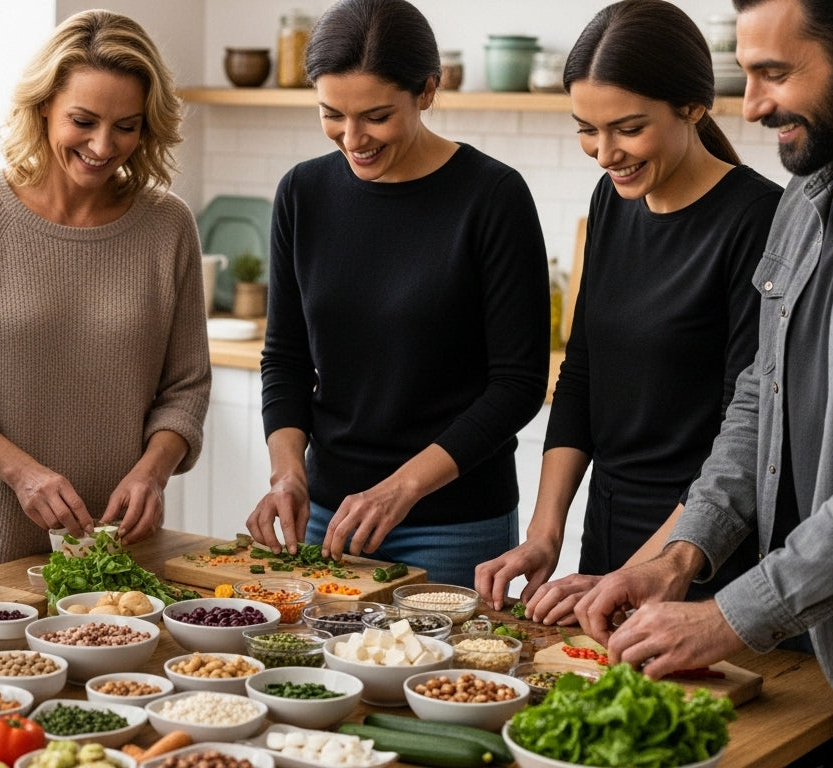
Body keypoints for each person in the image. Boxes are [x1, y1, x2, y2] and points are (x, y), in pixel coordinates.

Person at [474, 0, 780, 623]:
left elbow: (743, 430)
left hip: (704, 552)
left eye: (628, 128)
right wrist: (544, 534)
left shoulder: (759, 221)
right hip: (609, 533)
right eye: (586, 128)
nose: (603, 152)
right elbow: (581, 375)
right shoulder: (614, 201)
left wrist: (637, 570)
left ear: (693, 106)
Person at [244, 0, 550, 588]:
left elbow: (517, 386)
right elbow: (284, 359)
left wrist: (400, 489)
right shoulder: (303, 193)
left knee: (448, 681)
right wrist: (289, 476)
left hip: (455, 526)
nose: (352, 138)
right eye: (332, 114)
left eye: (376, 117)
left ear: (428, 91)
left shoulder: (492, 197)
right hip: (329, 518)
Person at [575, 0, 833, 686]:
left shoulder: (759, 210)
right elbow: (760, 401)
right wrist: (679, 558)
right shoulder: (807, 201)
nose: (747, 108)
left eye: (773, 72)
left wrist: (728, 615)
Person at [0, 10, 211, 566]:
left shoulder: (168, 225)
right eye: (84, 120)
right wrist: (23, 475)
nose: (103, 145)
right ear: (44, 105)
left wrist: (153, 473)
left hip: (115, 544)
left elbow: (187, 387)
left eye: (127, 125)